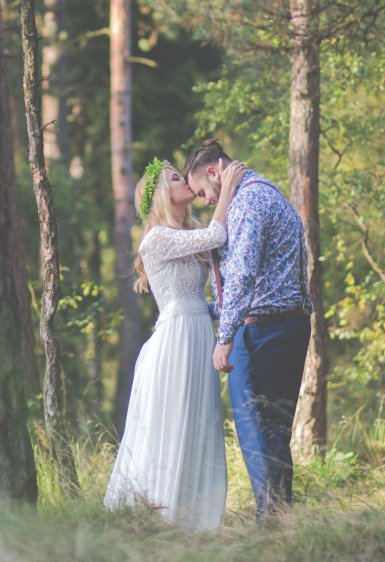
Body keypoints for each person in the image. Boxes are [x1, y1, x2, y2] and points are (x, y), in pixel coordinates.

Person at [104, 157, 248, 532]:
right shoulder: (157, 237)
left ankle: (195, 522)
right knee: (173, 423)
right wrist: (228, 186)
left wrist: (230, 309)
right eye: (175, 178)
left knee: (199, 423)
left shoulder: (187, 231)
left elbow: (210, 269)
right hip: (176, 339)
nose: (185, 181)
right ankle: (157, 518)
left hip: (199, 329)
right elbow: (217, 236)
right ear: (162, 195)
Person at [183, 139, 312, 525]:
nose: (206, 201)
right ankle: (281, 518)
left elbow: (241, 276)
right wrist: (198, 309)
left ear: (213, 172)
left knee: (255, 430)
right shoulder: (266, 191)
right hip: (288, 324)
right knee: (274, 430)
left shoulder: (248, 203)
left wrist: (224, 338)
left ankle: (268, 521)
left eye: (204, 192)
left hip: (259, 334)